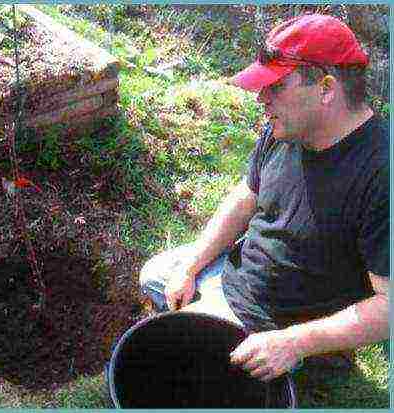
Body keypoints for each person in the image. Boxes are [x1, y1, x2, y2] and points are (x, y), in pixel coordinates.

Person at [139, 14, 389, 383]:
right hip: (238, 277)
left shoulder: (382, 173)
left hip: (279, 323)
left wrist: (291, 343)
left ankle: (300, 364)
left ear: (326, 88)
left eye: (276, 87)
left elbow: (390, 307)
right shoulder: (286, 128)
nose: (261, 98)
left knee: (180, 366)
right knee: (158, 273)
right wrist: (191, 266)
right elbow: (244, 197)